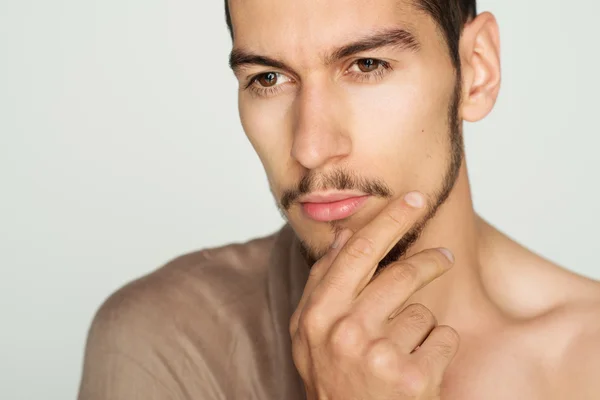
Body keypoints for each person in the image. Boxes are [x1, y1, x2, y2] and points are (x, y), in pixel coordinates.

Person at [78, 0, 600, 398]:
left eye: (367, 65)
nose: (311, 147)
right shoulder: (167, 340)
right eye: (269, 78)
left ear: (476, 71)